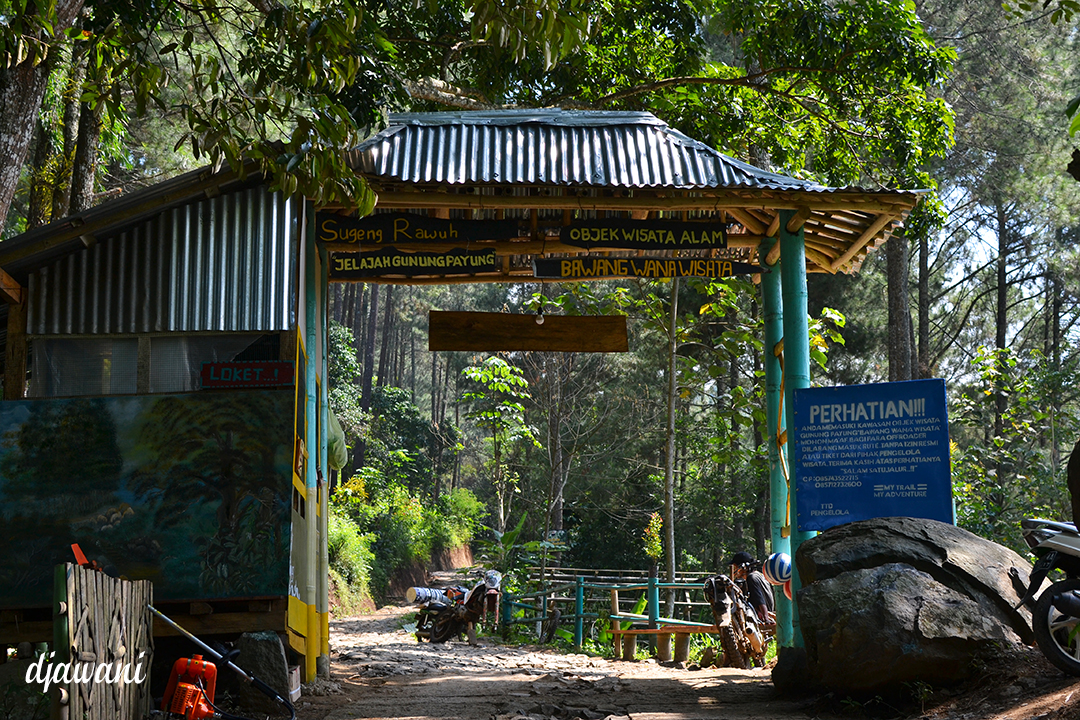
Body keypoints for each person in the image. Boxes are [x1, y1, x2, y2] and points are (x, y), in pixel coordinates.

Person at [729, 551, 776, 627]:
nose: (734, 570)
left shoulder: (751, 578)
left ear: (743, 567)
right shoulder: (760, 575)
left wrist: (766, 618)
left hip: (761, 617)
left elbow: (760, 599)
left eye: (735, 567)